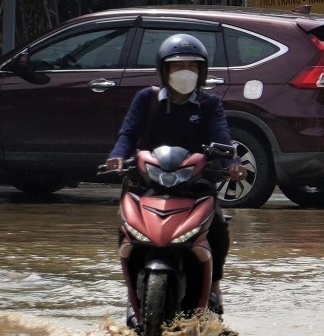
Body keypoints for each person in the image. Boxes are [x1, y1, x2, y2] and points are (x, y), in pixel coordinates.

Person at [101, 35, 243, 313]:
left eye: (192, 65)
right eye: (178, 66)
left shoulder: (209, 104)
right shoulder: (147, 99)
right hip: (147, 180)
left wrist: (232, 162)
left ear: (202, 71)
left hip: (196, 182)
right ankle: (131, 290)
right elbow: (127, 134)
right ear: (164, 70)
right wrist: (117, 156)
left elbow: (223, 138)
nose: (185, 71)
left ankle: (214, 286)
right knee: (125, 229)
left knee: (218, 226)